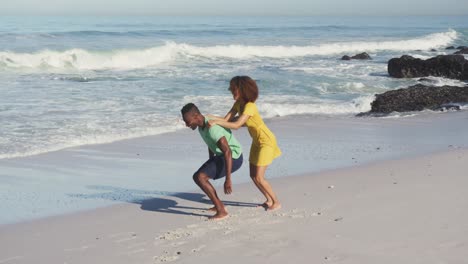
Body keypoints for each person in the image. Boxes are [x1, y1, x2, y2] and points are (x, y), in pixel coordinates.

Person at [207, 76, 282, 211]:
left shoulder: (250, 106)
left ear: (241, 90)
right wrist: (207, 116)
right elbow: (226, 119)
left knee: (259, 177)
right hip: (256, 142)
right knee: (253, 176)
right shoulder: (239, 104)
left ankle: (276, 202)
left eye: (233, 88)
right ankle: (269, 200)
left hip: (266, 141)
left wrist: (216, 122)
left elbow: (236, 125)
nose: (230, 90)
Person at [181, 103, 243, 220]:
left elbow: (228, 151)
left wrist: (228, 179)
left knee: (200, 177)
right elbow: (211, 144)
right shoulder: (201, 126)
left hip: (234, 158)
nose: (186, 125)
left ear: (196, 116)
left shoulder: (212, 129)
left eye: (187, 121)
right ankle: (219, 205)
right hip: (221, 156)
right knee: (198, 177)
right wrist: (211, 160)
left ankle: (221, 211)